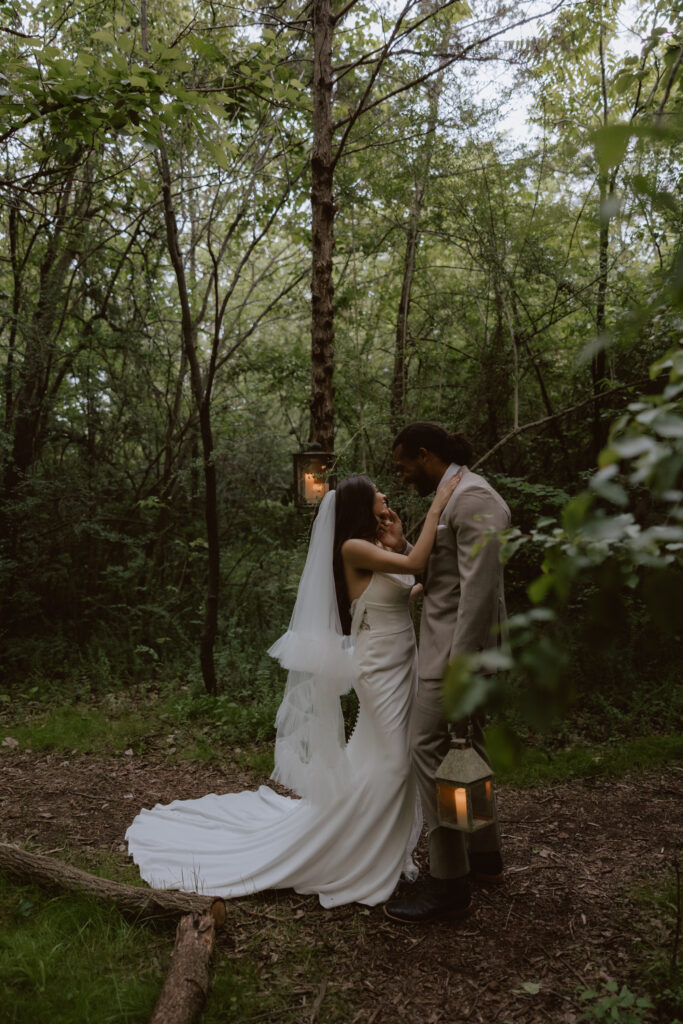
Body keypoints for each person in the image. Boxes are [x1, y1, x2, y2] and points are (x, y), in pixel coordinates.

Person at [125, 472, 459, 908]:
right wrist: (436, 508)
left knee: (381, 754)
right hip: (377, 664)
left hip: (403, 659)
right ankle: (355, 855)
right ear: (362, 505)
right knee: (396, 762)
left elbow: (413, 582)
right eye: (379, 495)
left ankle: (367, 845)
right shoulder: (352, 548)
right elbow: (416, 571)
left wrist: (399, 540)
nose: (386, 498)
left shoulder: (379, 548)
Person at [383, 422, 510, 924]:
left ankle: (447, 883)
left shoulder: (474, 497)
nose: (401, 473)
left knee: (427, 751)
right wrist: (404, 543)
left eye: (403, 464)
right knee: (465, 751)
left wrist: (459, 665)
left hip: (454, 657)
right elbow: (446, 574)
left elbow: (480, 592)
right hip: (450, 651)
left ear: (424, 453)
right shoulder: (451, 495)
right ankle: (484, 857)